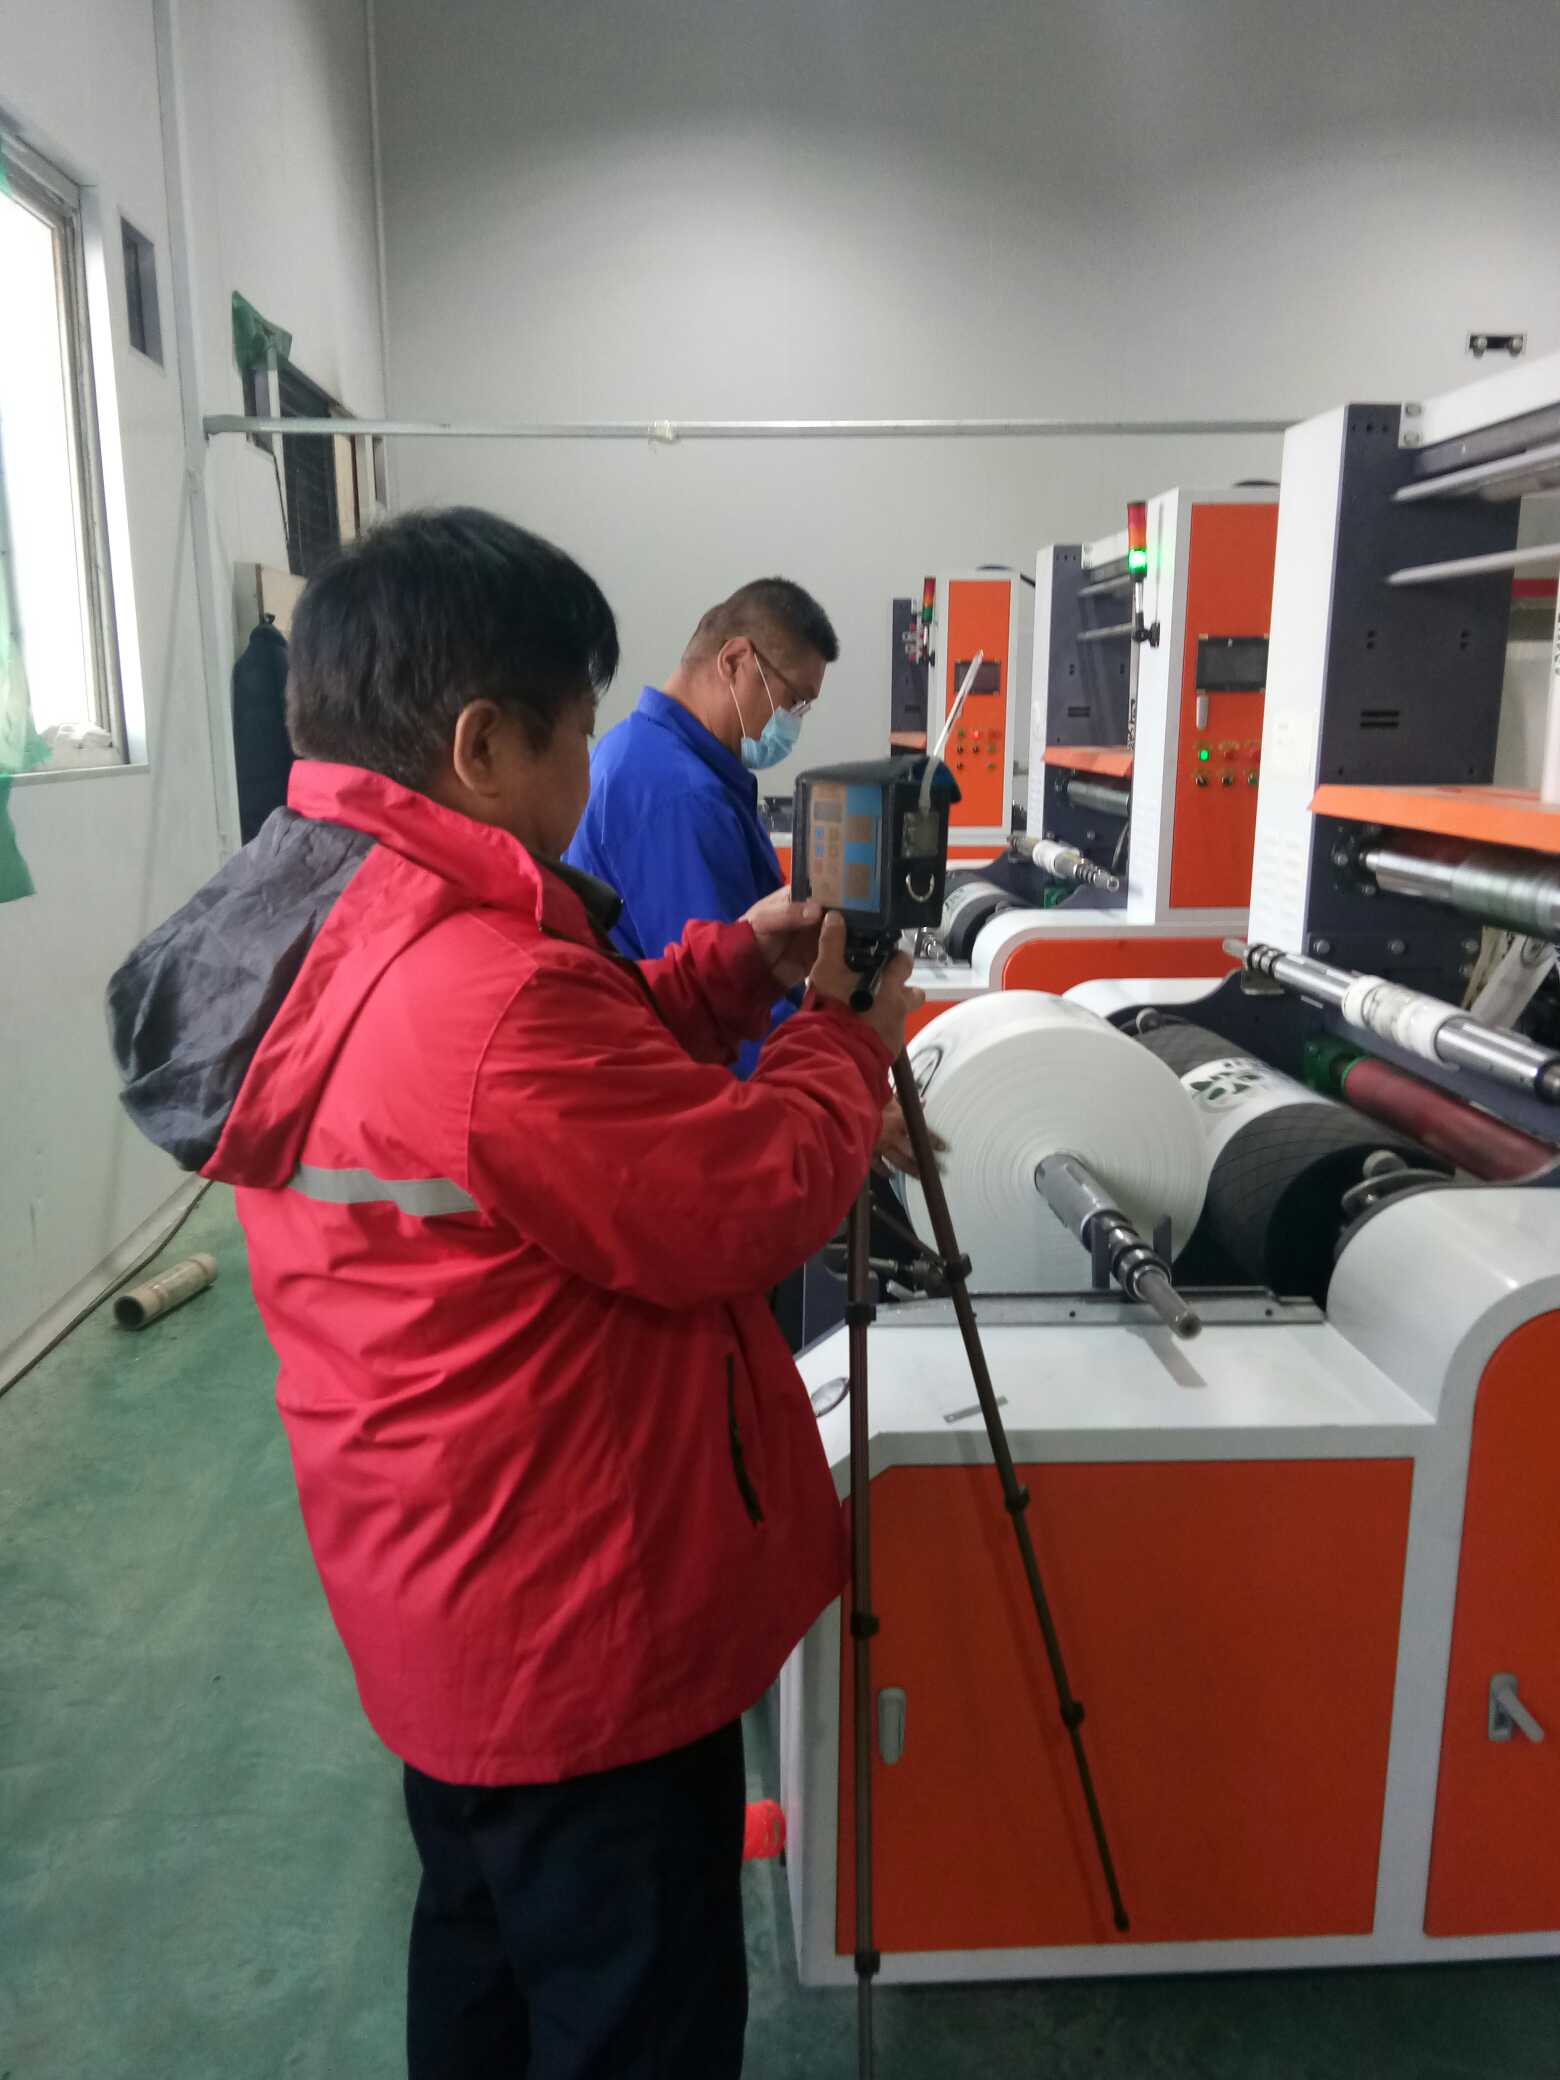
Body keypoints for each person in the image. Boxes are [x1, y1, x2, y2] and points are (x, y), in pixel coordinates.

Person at [106, 509, 922, 2080]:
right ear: (483, 747)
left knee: (484, 1961)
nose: (589, 772)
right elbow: (747, 1198)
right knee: (631, 2014)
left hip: (447, 1593)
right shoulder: (485, 997)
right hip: (581, 1634)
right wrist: (842, 1040)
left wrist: (729, 970)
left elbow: (550, 1097)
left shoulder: (335, 926)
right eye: (575, 732)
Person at [566, 577, 834, 1079]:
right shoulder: (676, 794)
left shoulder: (645, 752)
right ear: (734, 661)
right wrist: (837, 1086)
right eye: (794, 700)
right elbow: (732, 1004)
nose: (794, 721)